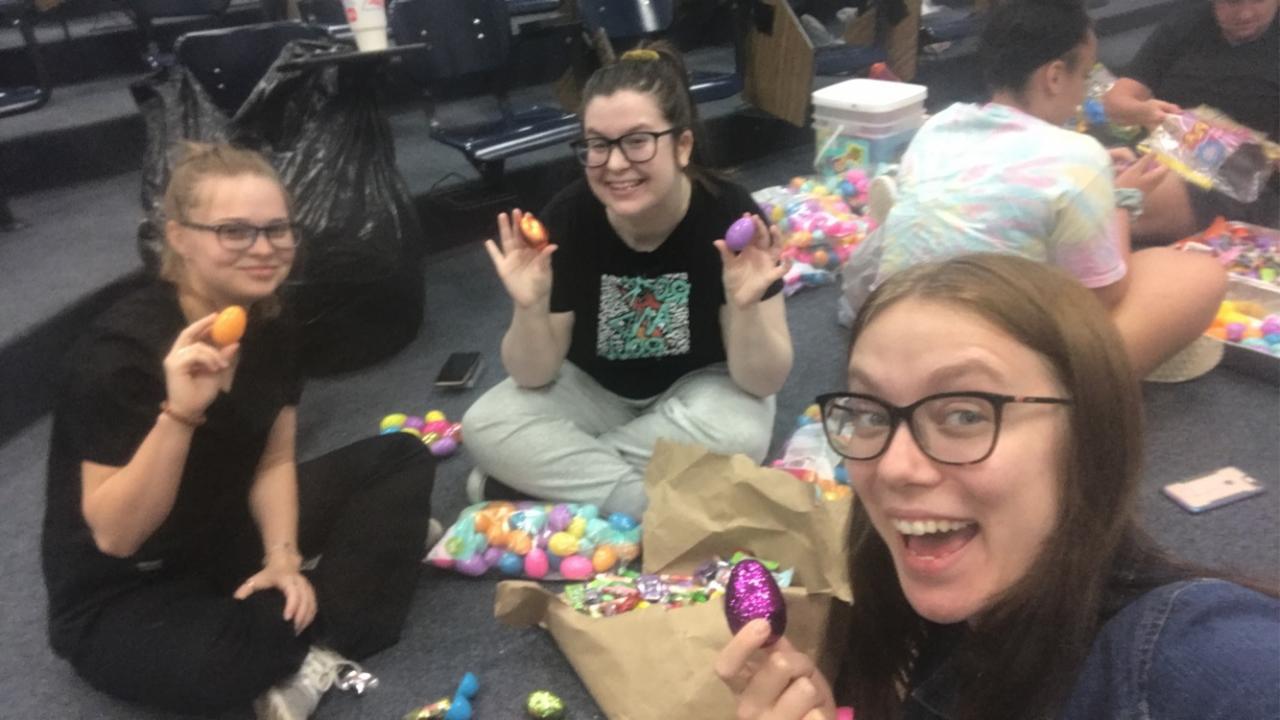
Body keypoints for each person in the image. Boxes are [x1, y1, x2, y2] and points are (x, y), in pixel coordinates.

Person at [717, 253, 1280, 720]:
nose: (893, 467)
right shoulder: (953, 634)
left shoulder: (1205, 660)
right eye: (869, 411)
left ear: (1088, 433)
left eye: (965, 414)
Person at [41, 143, 436, 720]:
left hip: (227, 534)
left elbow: (273, 461)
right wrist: (180, 414)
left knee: (400, 457)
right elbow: (118, 538)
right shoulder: (116, 354)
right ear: (179, 237)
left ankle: (313, 625)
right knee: (221, 659)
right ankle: (355, 585)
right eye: (234, 231)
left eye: (277, 229)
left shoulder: (273, 320)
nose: (264, 248)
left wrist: (282, 558)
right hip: (128, 585)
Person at [463, 42, 793, 517]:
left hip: (699, 390)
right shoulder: (568, 217)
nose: (614, 164)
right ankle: (648, 504)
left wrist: (744, 309)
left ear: (682, 146)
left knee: (741, 433)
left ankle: (544, 483)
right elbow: (533, 375)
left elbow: (762, 381)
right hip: (593, 391)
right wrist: (529, 307)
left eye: (637, 141)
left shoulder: (730, 214)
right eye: (598, 145)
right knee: (485, 424)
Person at [850, 0, 1226, 378]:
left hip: (884, 343)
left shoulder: (938, 125)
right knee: (1198, 276)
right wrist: (1120, 203)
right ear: (1055, 76)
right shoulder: (1080, 157)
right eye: (1084, 77)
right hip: (985, 372)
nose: (1083, 94)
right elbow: (1101, 298)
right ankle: (1074, 390)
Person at [1103, 0, 1279, 240]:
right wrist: (1145, 111)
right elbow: (1116, 101)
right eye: (1232, 3)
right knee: (1083, 176)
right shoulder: (1189, 21)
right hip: (1162, 152)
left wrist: (1256, 151)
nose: (1245, 14)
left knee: (1103, 207)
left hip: (1240, 185)